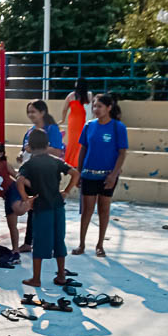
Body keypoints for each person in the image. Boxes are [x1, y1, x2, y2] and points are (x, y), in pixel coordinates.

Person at [18, 129, 80, 287]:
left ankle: (36, 278)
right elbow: (75, 173)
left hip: (41, 206)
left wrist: (27, 200)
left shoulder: (29, 164)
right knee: (59, 240)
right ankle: (61, 275)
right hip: (58, 205)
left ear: (29, 147)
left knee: (39, 242)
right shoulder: (55, 161)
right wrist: (66, 191)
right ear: (47, 145)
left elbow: (19, 181)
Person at [74, 94, 128, 257]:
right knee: (87, 210)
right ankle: (82, 243)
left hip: (108, 176)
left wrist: (114, 174)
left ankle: (100, 245)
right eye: (94, 107)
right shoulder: (89, 126)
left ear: (109, 108)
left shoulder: (118, 127)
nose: (96, 110)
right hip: (89, 174)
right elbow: (83, 149)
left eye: (99, 106)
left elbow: (122, 152)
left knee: (104, 209)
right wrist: (79, 171)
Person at [0, 141, 31, 254]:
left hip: (12, 190)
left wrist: (30, 184)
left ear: (0, 154)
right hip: (6, 195)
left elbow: (17, 176)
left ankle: (30, 203)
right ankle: (15, 248)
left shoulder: (4, 164)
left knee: (12, 222)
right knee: (11, 224)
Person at [61, 79, 92, 167]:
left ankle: (71, 161)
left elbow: (64, 109)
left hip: (73, 121)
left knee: (72, 141)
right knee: (82, 141)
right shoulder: (89, 95)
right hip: (84, 119)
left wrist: (62, 119)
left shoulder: (71, 95)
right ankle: (80, 161)